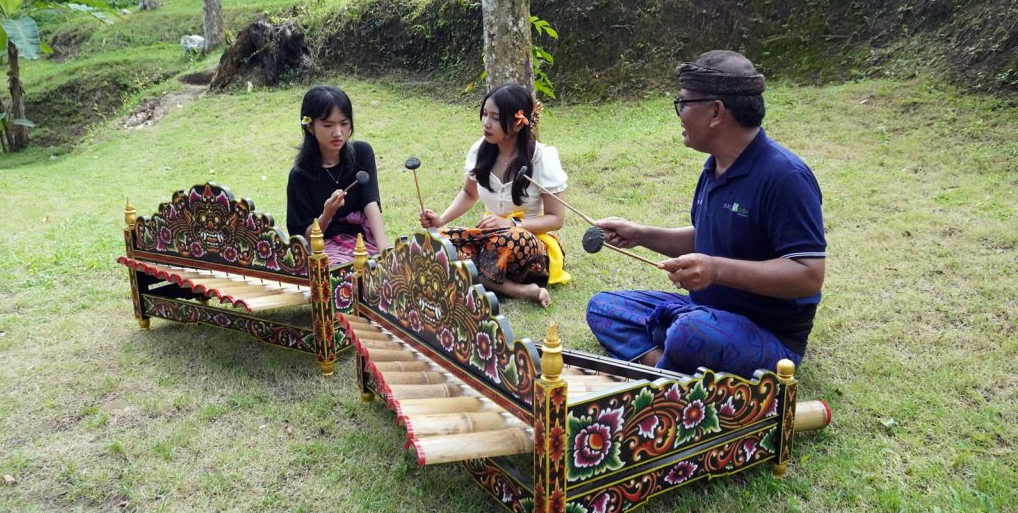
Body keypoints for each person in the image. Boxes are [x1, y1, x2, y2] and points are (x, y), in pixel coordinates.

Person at [586, 50, 826, 379]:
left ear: (715, 112)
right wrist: (641, 235)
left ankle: (669, 362)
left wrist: (716, 271)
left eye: (683, 104)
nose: (679, 114)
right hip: (703, 312)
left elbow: (808, 274)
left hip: (767, 335)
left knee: (689, 333)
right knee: (603, 307)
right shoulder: (714, 166)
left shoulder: (785, 177)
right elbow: (709, 237)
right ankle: (667, 365)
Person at [419, 83, 570, 308]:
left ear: (519, 123)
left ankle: (477, 276)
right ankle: (514, 288)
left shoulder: (542, 157)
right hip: (488, 237)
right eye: (485, 114)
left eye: (495, 118)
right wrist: (442, 220)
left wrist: (511, 223)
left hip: (526, 242)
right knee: (438, 242)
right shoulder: (480, 150)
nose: (486, 123)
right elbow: (468, 193)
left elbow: (556, 219)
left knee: (507, 240)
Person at [286, 85, 388, 265]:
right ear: (310, 126)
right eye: (328, 125)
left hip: (362, 242)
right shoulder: (299, 176)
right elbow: (304, 241)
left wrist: (385, 254)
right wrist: (327, 213)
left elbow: (371, 204)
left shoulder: (362, 153)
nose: (338, 133)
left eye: (344, 123)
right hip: (324, 251)